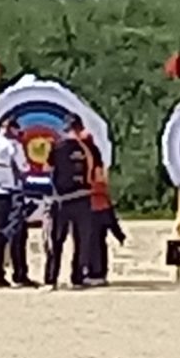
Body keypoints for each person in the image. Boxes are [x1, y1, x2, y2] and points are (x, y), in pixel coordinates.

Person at [44, 115, 98, 289]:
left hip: (61, 200)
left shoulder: (57, 147)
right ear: (80, 128)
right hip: (83, 197)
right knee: (82, 241)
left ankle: (51, 280)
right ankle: (77, 278)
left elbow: (47, 169)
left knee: (55, 241)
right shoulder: (89, 148)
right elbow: (97, 171)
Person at [0, 120, 34, 287]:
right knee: (17, 234)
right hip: (11, 193)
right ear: (12, 129)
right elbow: (24, 168)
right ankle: (19, 273)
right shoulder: (13, 145)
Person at [68, 117, 114, 284]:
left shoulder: (85, 147)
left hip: (90, 200)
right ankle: (96, 272)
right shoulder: (90, 147)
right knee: (94, 238)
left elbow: (97, 176)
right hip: (96, 200)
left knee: (89, 238)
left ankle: (93, 272)